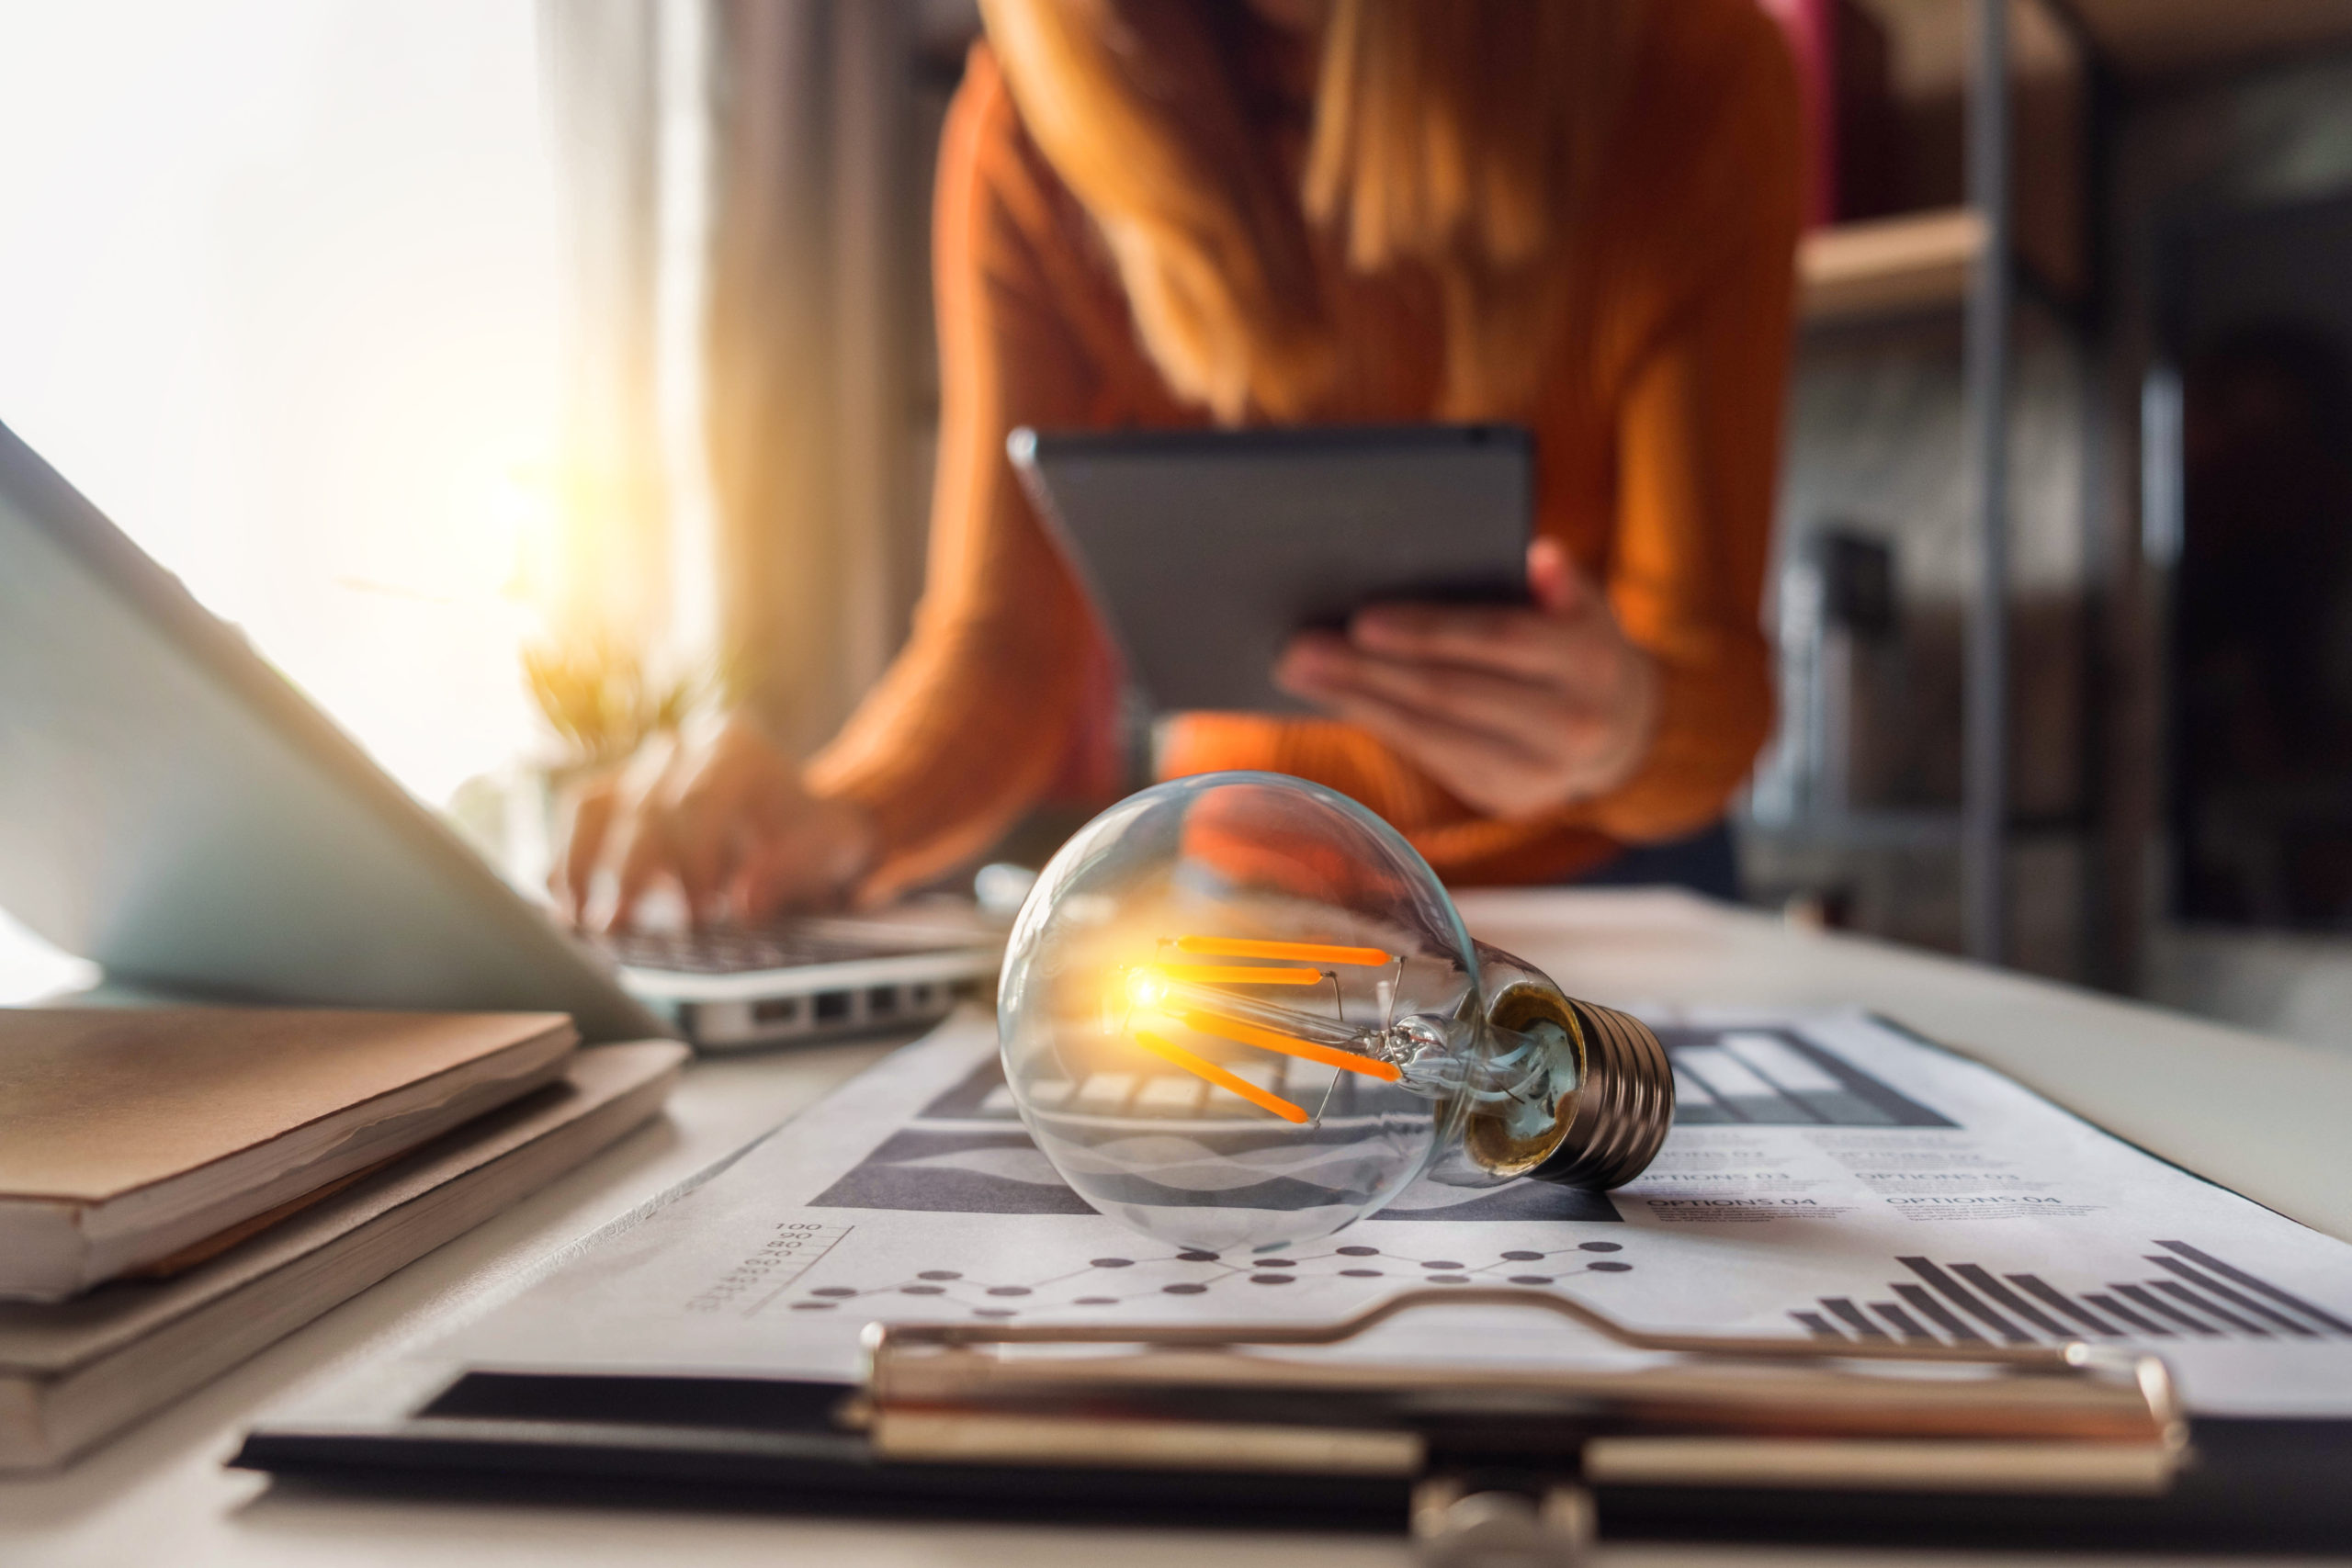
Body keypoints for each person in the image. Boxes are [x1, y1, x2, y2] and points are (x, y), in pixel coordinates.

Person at [558, 0, 1801, 930]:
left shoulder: (1694, 72)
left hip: (1609, 902)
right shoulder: (1036, 121)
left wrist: (1621, 726)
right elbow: (1002, 651)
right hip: (1242, 893)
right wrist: (839, 812)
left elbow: (1716, 687)